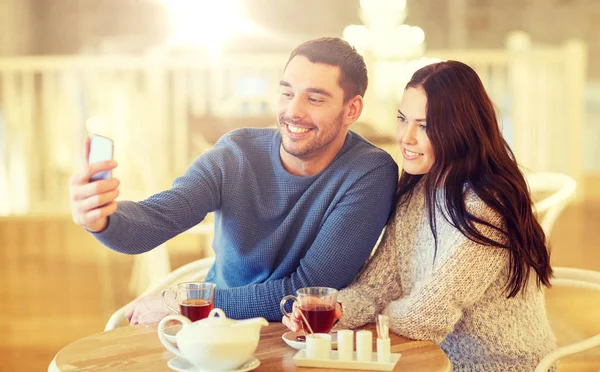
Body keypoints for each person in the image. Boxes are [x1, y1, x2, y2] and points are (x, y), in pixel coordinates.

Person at [68, 37, 399, 323]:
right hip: (214, 332)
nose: (293, 111)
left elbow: (308, 290)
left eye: (314, 99)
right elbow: (157, 219)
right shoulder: (236, 153)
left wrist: (183, 305)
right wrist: (101, 219)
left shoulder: (369, 172)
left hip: (304, 339)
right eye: (287, 94)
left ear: (352, 110)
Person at [283, 60, 557, 370]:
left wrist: (377, 312)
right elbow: (375, 287)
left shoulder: (486, 206)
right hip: (430, 359)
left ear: (461, 129)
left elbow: (425, 318)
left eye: (424, 125)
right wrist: (334, 310)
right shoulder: (417, 190)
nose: (406, 137)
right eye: (403, 119)